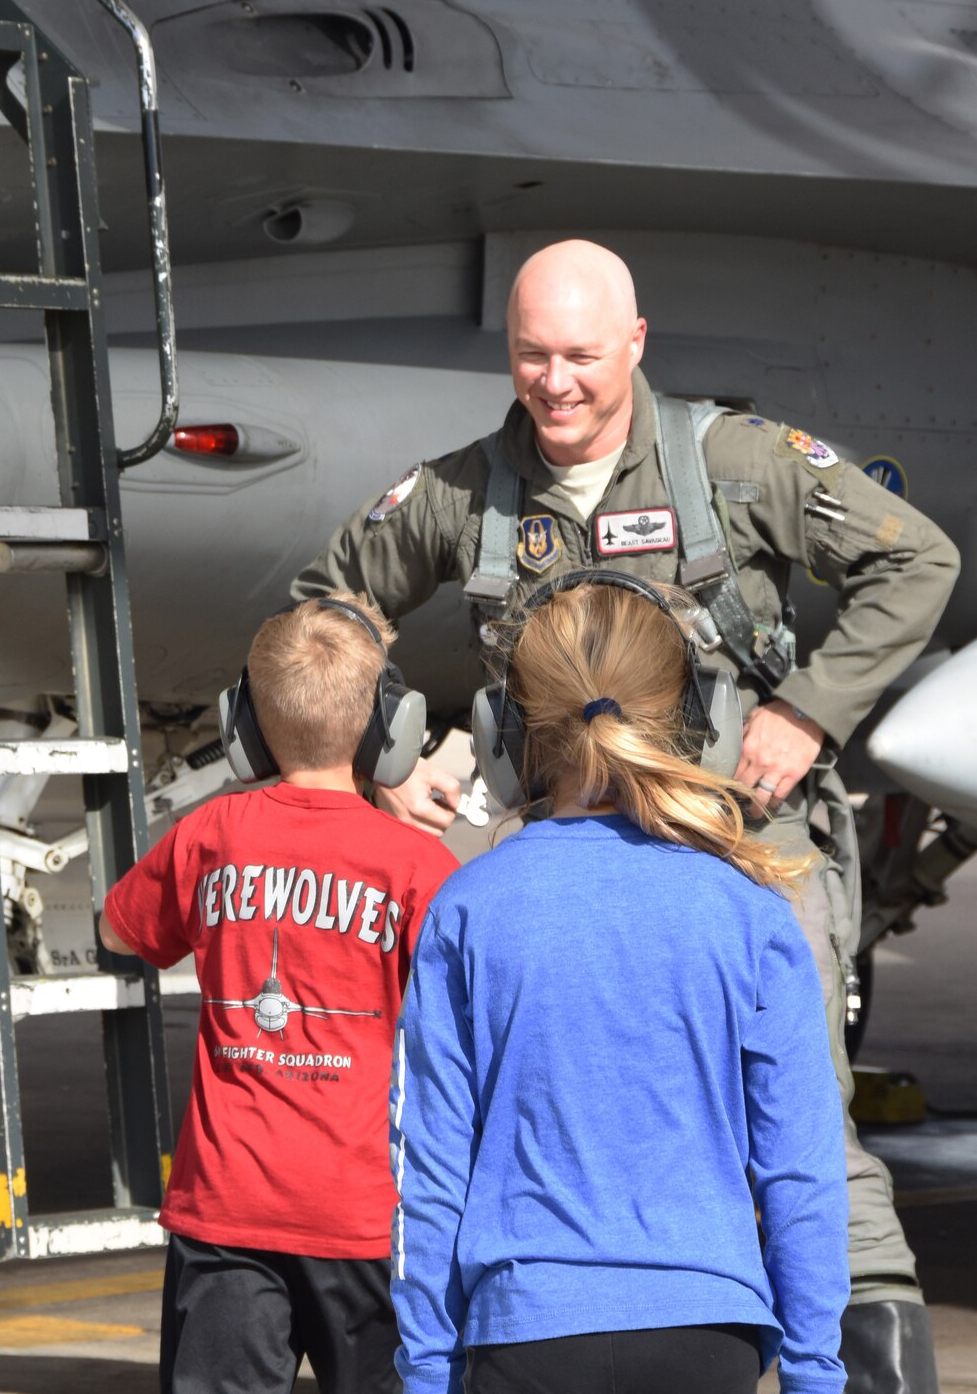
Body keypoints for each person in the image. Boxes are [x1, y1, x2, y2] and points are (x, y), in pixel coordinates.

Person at [295, 238, 960, 1394]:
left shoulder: (736, 464)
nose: (554, 382)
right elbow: (327, 603)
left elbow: (916, 560)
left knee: (808, 1129)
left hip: (735, 850)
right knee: (526, 1108)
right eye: (531, 355)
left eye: (582, 356)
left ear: (636, 345)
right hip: (561, 855)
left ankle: (863, 1360)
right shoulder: (463, 493)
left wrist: (807, 712)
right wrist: (384, 749)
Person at [391, 573, 850, 1394]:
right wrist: (814, 1371)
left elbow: (428, 1166)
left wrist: (426, 1367)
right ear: (696, 728)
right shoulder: (748, 911)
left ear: (506, 734)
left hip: (522, 1332)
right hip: (707, 1333)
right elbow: (801, 1168)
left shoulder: (466, 908)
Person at [100, 594, 456, 1394]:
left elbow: (120, 931)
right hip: (369, 1217)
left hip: (226, 1212)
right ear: (385, 728)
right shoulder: (417, 870)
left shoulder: (209, 835)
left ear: (245, 727)